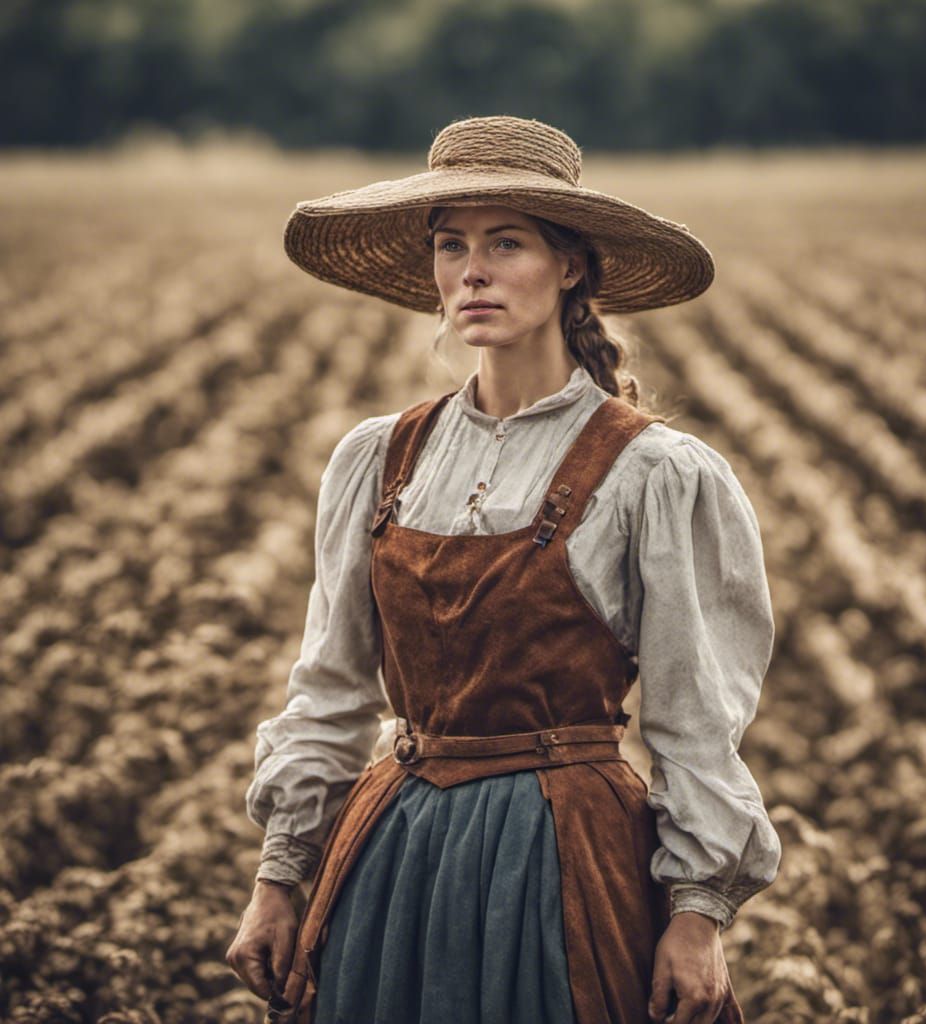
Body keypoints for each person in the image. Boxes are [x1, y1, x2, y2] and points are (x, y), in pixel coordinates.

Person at [225, 115, 781, 1024]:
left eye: (506, 243)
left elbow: (693, 718)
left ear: (571, 267)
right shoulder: (380, 457)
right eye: (452, 246)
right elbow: (329, 689)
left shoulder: (653, 473)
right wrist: (281, 874)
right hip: (393, 858)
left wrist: (698, 911)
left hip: (562, 858)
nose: (471, 272)